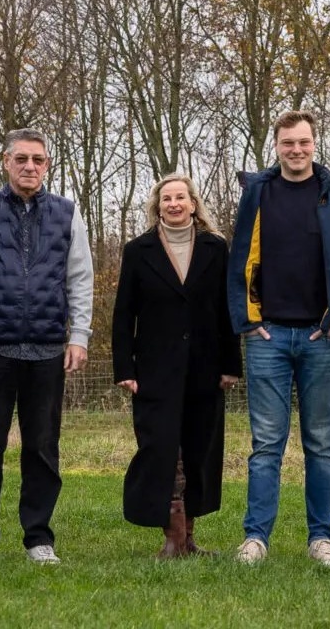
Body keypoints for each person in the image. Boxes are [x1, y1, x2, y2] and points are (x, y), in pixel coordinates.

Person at [228, 110, 330, 567]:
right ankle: (255, 538)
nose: (296, 150)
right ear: (276, 146)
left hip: (322, 338)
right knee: (266, 444)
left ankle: (321, 538)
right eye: (288, 143)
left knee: (321, 443)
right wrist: (247, 322)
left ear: (314, 144)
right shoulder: (257, 193)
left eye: (304, 142)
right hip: (267, 336)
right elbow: (238, 263)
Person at [0, 128, 94, 565]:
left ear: (47, 164)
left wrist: (80, 335)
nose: (30, 167)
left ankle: (38, 538)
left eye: (38, 160)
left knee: (43, 449)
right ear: (6, 162)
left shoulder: (68, 213)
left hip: (48, 350)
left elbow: (81, 280)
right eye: (22, 159)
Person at [112, 174, 242, 558]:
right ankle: (172, 537)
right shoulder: (139, 250)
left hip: (205, 368)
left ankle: (189, 538)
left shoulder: (216, 248)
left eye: (180, 197)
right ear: (158, 205)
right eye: (166, 198)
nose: (173, 204)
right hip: (154, 369)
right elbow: (123, 314)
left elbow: (227, 311)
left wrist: (231, 364)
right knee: (162, 448)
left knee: (198, 449)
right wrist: (125, 368)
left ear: (192, 203)